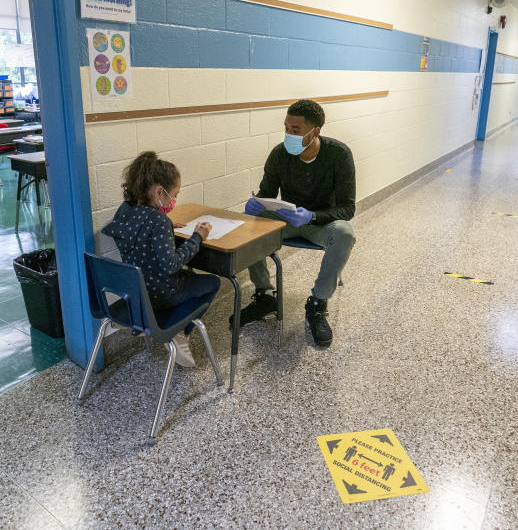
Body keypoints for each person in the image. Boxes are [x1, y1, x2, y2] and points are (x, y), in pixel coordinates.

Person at [240, 99, 356, 348]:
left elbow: (348, 208)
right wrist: (256, 205)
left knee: (345, 233)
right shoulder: (280, 154)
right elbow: (266, 194)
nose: (288, 135)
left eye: (295, 130)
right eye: (286, 128)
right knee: (250, 224)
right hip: (288, 219)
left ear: (315, 132)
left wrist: (312, 216)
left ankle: (317, 303)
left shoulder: (339, 155)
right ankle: (264, 296)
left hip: (321, 223)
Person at [102, 151, 218, 368]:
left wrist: (165, 228)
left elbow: (139, 233)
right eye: (174, 194)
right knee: (213, 282)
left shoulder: (125, 211)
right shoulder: (158, 220)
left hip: (135, 294)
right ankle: (178, 331)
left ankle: (154, 323)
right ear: (158, 191)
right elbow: (170, 265)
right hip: (160, 294)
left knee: (190, 276)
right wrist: (197, 238)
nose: (174, 200)